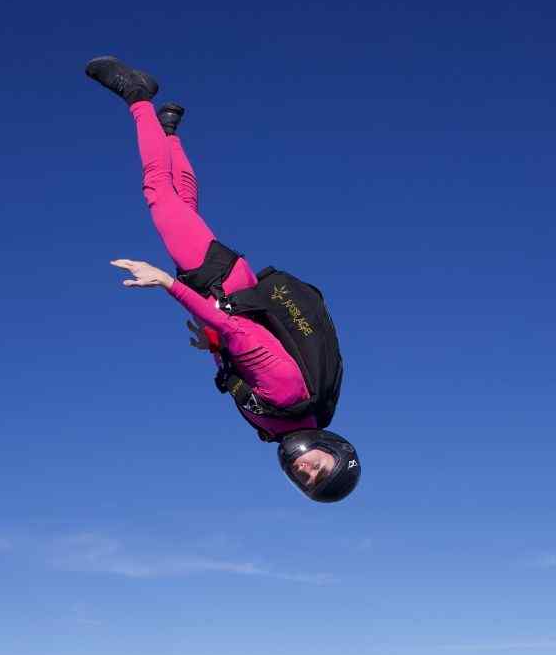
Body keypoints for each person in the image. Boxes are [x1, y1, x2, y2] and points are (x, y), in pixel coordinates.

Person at [85, 55, 361, 503]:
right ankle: (137, 96)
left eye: (306, 481)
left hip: (222, 288)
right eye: (319, 469)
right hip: (217, 283)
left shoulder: (277, 424)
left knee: (181, 206)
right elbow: (238, 331)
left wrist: (212, 347)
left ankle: (169, 132)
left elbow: (235, 356)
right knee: (158, 194)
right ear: (332, 447)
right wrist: (167, 284)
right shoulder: (289, 395)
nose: (305, 470)